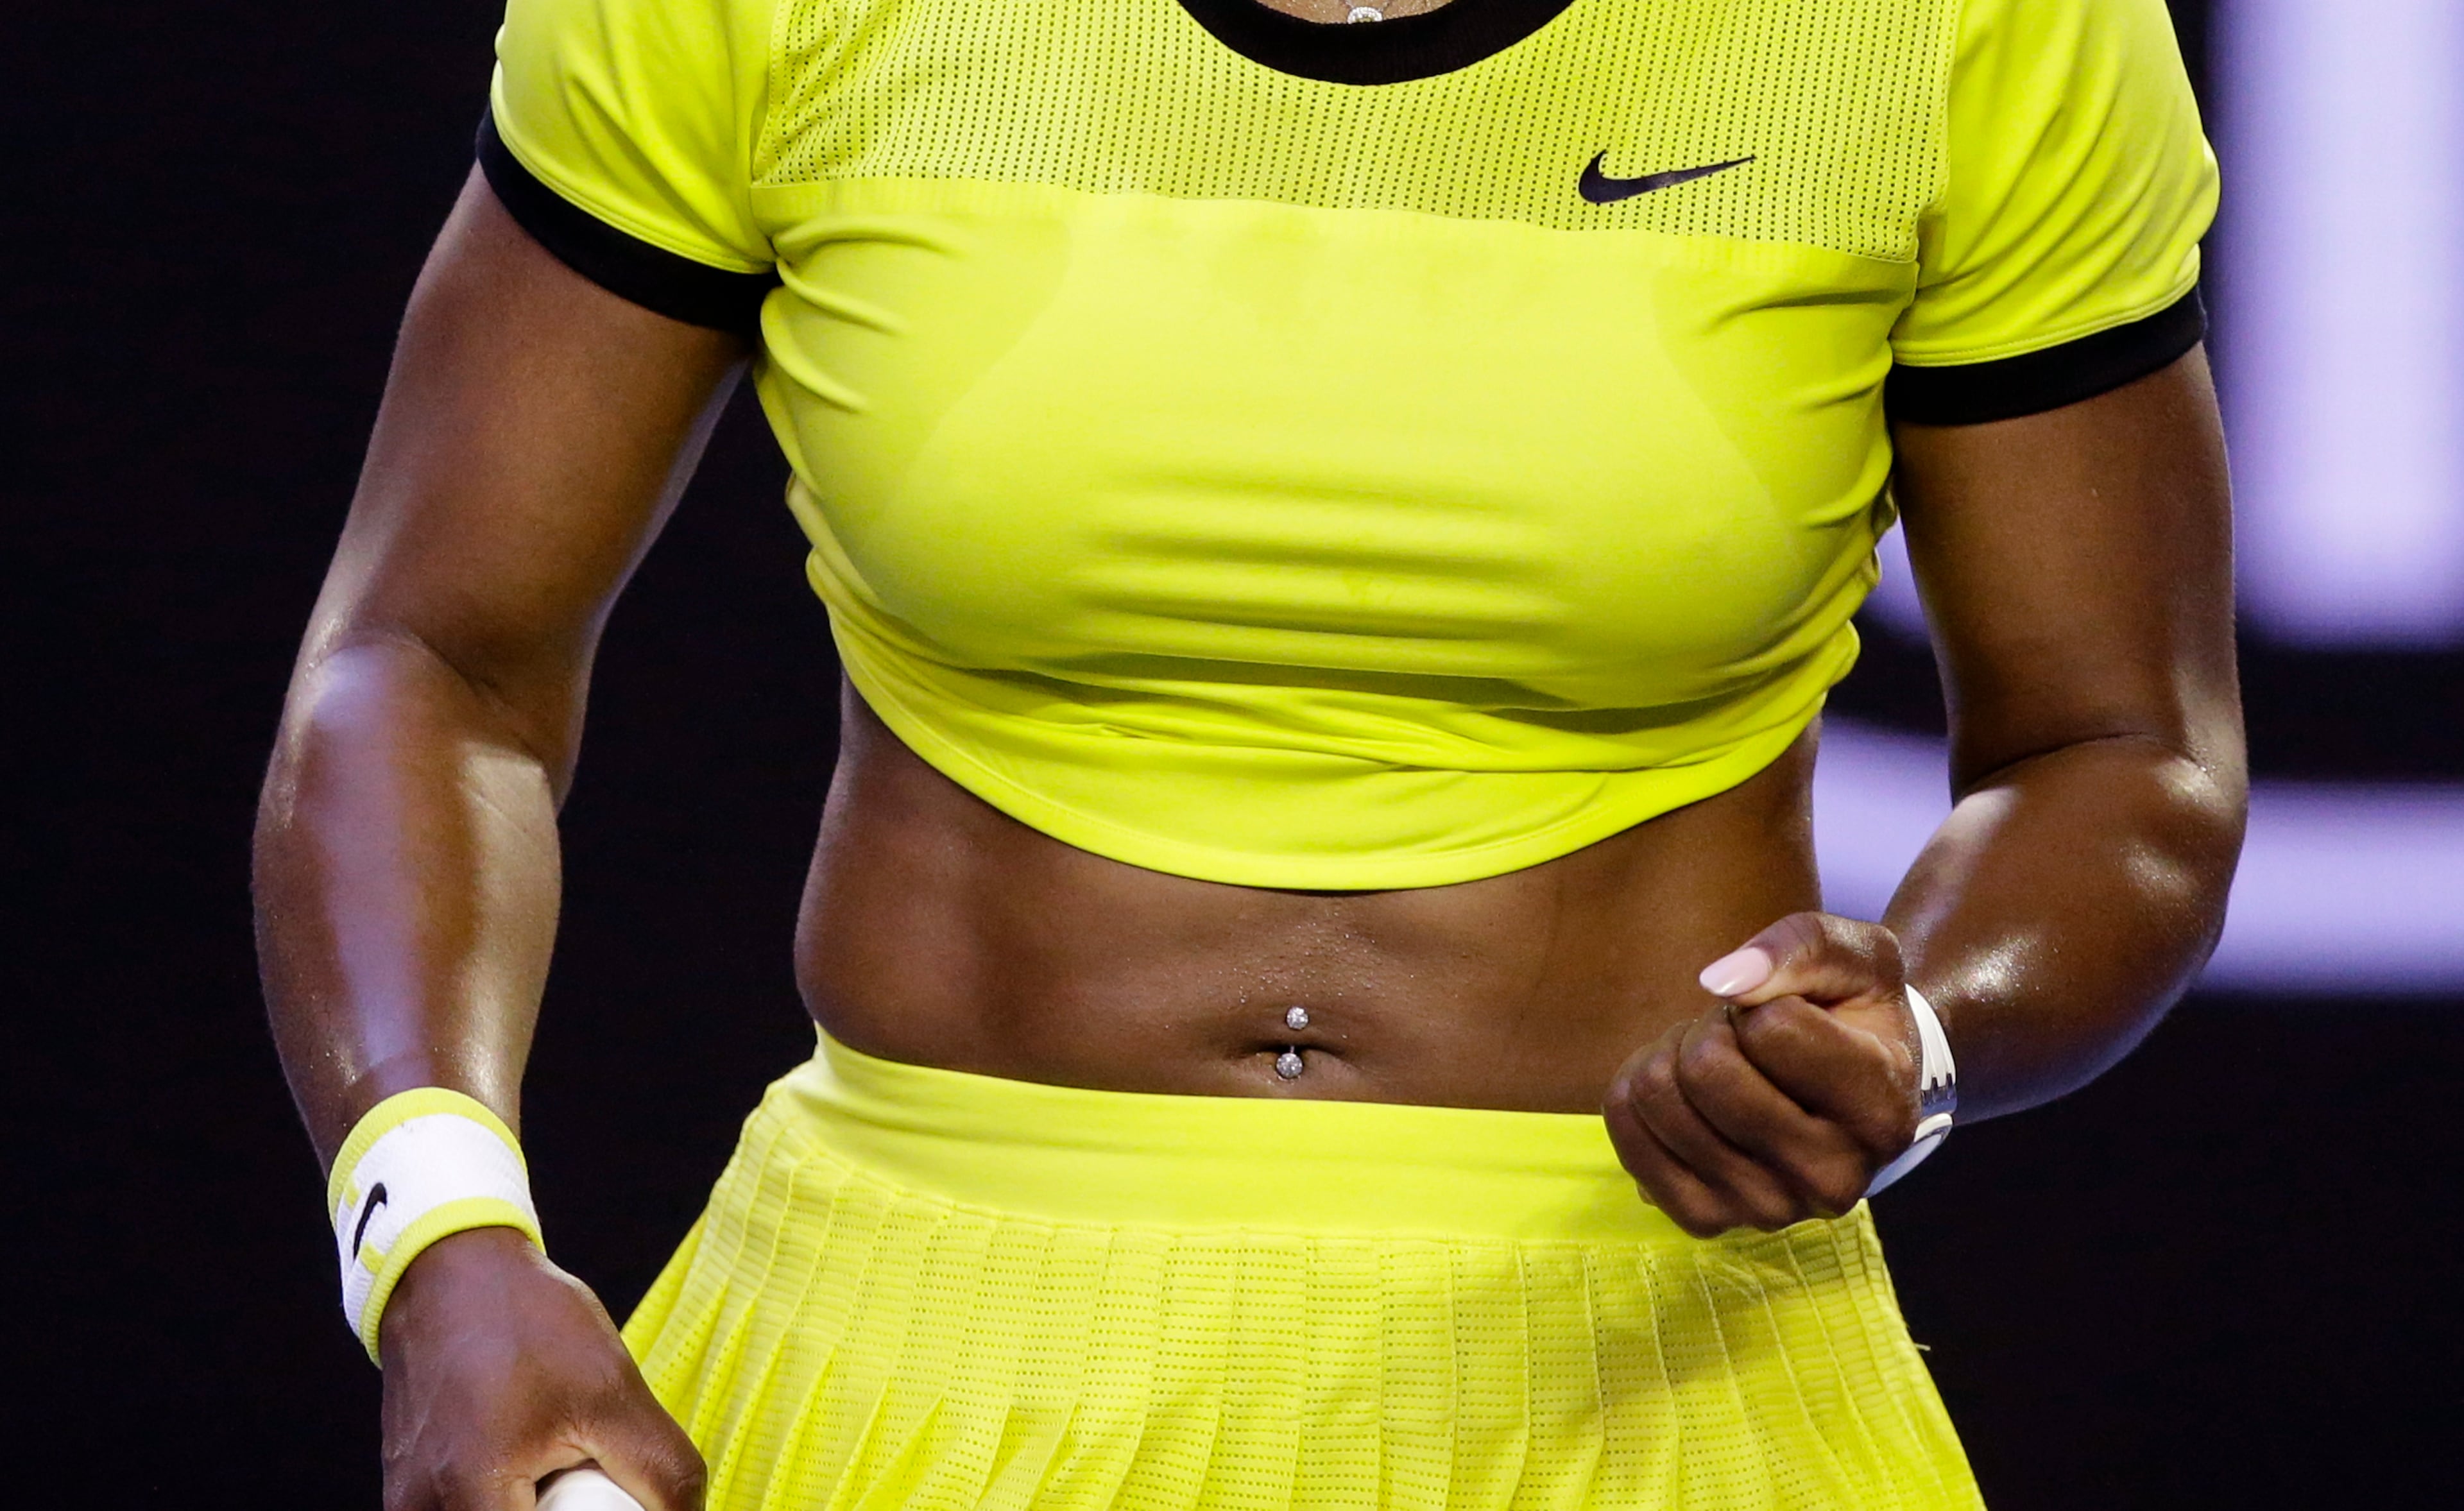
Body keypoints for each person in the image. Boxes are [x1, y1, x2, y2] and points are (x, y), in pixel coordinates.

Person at [255, 0, 2241, 1504]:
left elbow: (2123, 749)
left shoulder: (1966, 29)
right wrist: (432, 1239)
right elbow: (432, 655)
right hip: (889, 1366)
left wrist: (1924, 1024)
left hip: (1662, 1388)